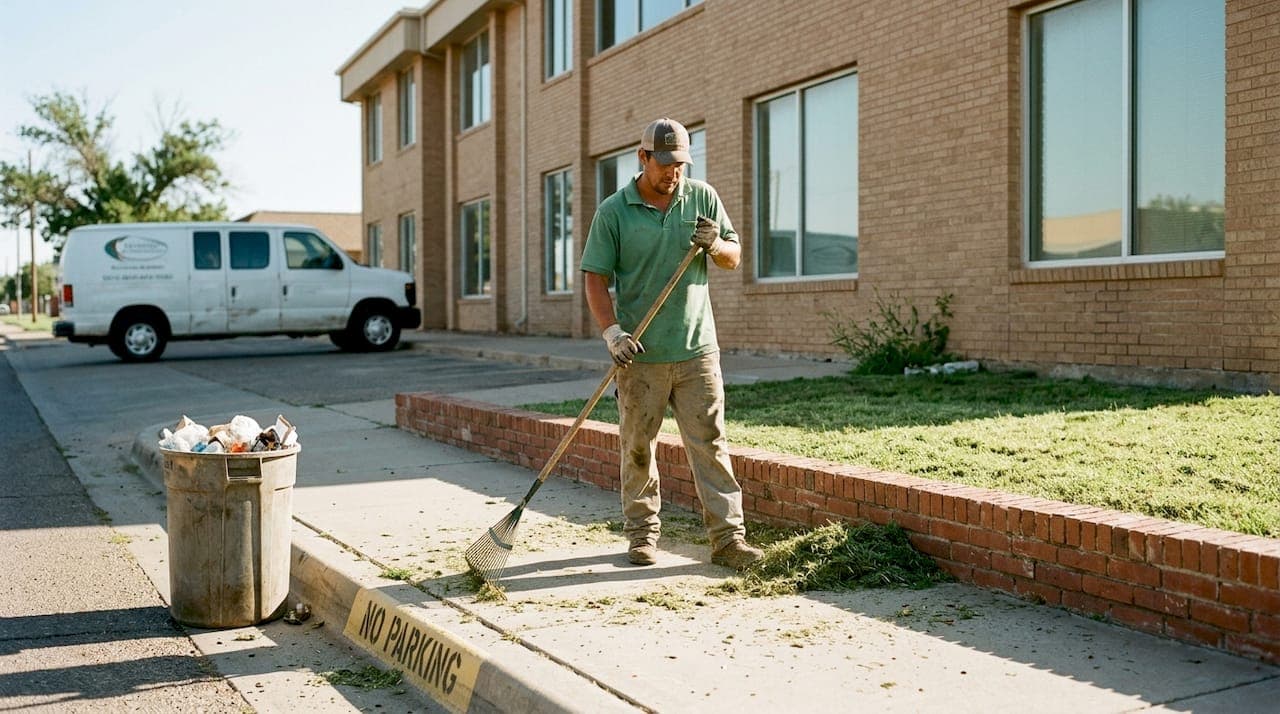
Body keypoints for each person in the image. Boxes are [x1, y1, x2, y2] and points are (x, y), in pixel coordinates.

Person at [579, 117, 764, 570]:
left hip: (698, 349)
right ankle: (642, 535)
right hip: (640, 355)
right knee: (638, 447)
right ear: (643, 158)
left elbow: (734, 258)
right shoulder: (613, 212)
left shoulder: (702, 197)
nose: (673, 173)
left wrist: (716, 243)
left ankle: (728, 539)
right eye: (664, 164)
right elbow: (595, 278)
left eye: (680, 164)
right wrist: (612, 333)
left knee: (711, 445)